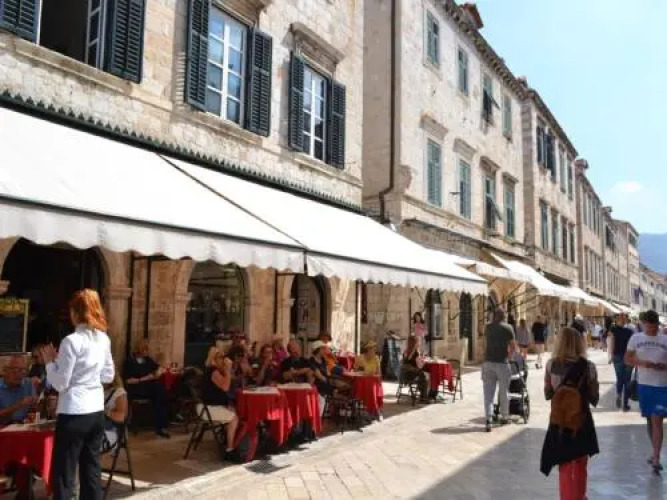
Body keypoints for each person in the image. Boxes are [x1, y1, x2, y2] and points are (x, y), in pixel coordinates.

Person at [40, 289, 115, 500]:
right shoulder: (103, 339)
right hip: (96, 410)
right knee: (91, 469)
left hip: (73, 411)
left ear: (75, 312)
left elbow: (60, 383)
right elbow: (108, 375)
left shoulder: (71, 341)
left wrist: (50, 363)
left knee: (64, 472)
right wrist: (88, 376)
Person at [540, 327, 599, 499]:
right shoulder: (588, 367)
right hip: (581, 419)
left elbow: (548, 393)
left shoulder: (551, 365)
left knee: (564, 464)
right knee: (580, 462)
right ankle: (580, 495)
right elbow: (594, 397)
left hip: (560, 420)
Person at [624, 309, 667, 474]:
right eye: (649, 327)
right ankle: (654, 451)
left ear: (658, 324)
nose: (651, 330)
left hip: (662, 385)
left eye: (654, 327)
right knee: (650, 420)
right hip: (644, 385)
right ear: (643, 325)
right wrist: (642, 363)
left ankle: (656, 457)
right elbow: (627, 359)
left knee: (657, 420)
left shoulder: (665, 339)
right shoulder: (636, 338)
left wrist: (663, 366)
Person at [122, 339, 170, 438]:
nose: (147, 352)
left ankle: (161, 427)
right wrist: (144, 378)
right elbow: (128, 381)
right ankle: (160, 426)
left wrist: (159, 371)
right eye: (145, 349)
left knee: (162, 392)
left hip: (148, 386)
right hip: (136, 387)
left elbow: (157, 368)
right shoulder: (130, 361)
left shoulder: (148, 359)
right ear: (140, 349)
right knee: (159, 392)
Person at [482, 308, 516, 432]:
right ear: (504, 316)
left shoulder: (488, 327)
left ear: (494, 316)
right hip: (502, 363)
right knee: (503, 391)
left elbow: (485, 344)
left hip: (488, 362)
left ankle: (488, 419)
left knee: (488, 393)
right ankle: (505, 416)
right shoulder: (508, 328)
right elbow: (513, 347)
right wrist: (510, 358)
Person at [202, 350, 239, 459]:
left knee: (234, 410)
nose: (223, 360)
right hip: (208, 408)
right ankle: (230, 449)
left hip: (213, 404)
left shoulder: (216, 371)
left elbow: (232, 381)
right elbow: (225, 387)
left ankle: (227, 440)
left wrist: (228, 370)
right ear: (213, 359)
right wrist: (227, 370)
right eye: (220, 357)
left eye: (223, 357)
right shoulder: (213, 372)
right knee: (234, 418)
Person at [607, 312, 635, 411]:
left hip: (617, 356)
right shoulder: (630, 331)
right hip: (628, 357)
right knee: (627, 380)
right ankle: (625, 404)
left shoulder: (613, 329)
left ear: (617, 320)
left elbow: (611, 342)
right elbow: (633, 346)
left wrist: (610, 356)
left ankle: (619, 394)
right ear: (625, 321)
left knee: (619, 378)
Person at [0, 355, 36, 424]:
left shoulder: (28, 384)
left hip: (24, 425)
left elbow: (34, 409)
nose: (20, 374)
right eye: (16, 370)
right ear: (5, 370)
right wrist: (18, 405)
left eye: (24, 370)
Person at [103, 371, 128, 452]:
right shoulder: (95, 391)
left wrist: (105, 412)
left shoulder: (119, 392)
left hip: (113, 430)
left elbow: (121, 417)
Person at [309, 341, 336, 414]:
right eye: (322, 349)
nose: (324, 350)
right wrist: (326, 378)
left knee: (337, 387)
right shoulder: (311, 360)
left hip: (324, 382)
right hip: (316, 383)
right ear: (318, 350)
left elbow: (328, 373)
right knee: (329, 391)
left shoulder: (323, 359)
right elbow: (319, 376)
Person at [400, 335, 430, 403]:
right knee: (424, 376)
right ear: (414, 342)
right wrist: (422, 357)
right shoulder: (413, 351)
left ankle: (423, 396)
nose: (418, 343)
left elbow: (409, 361)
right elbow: (417, 364)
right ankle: (423, 397)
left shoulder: (408, 351)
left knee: (423, 376)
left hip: (407, 373)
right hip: (409, 374)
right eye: (417, 342)